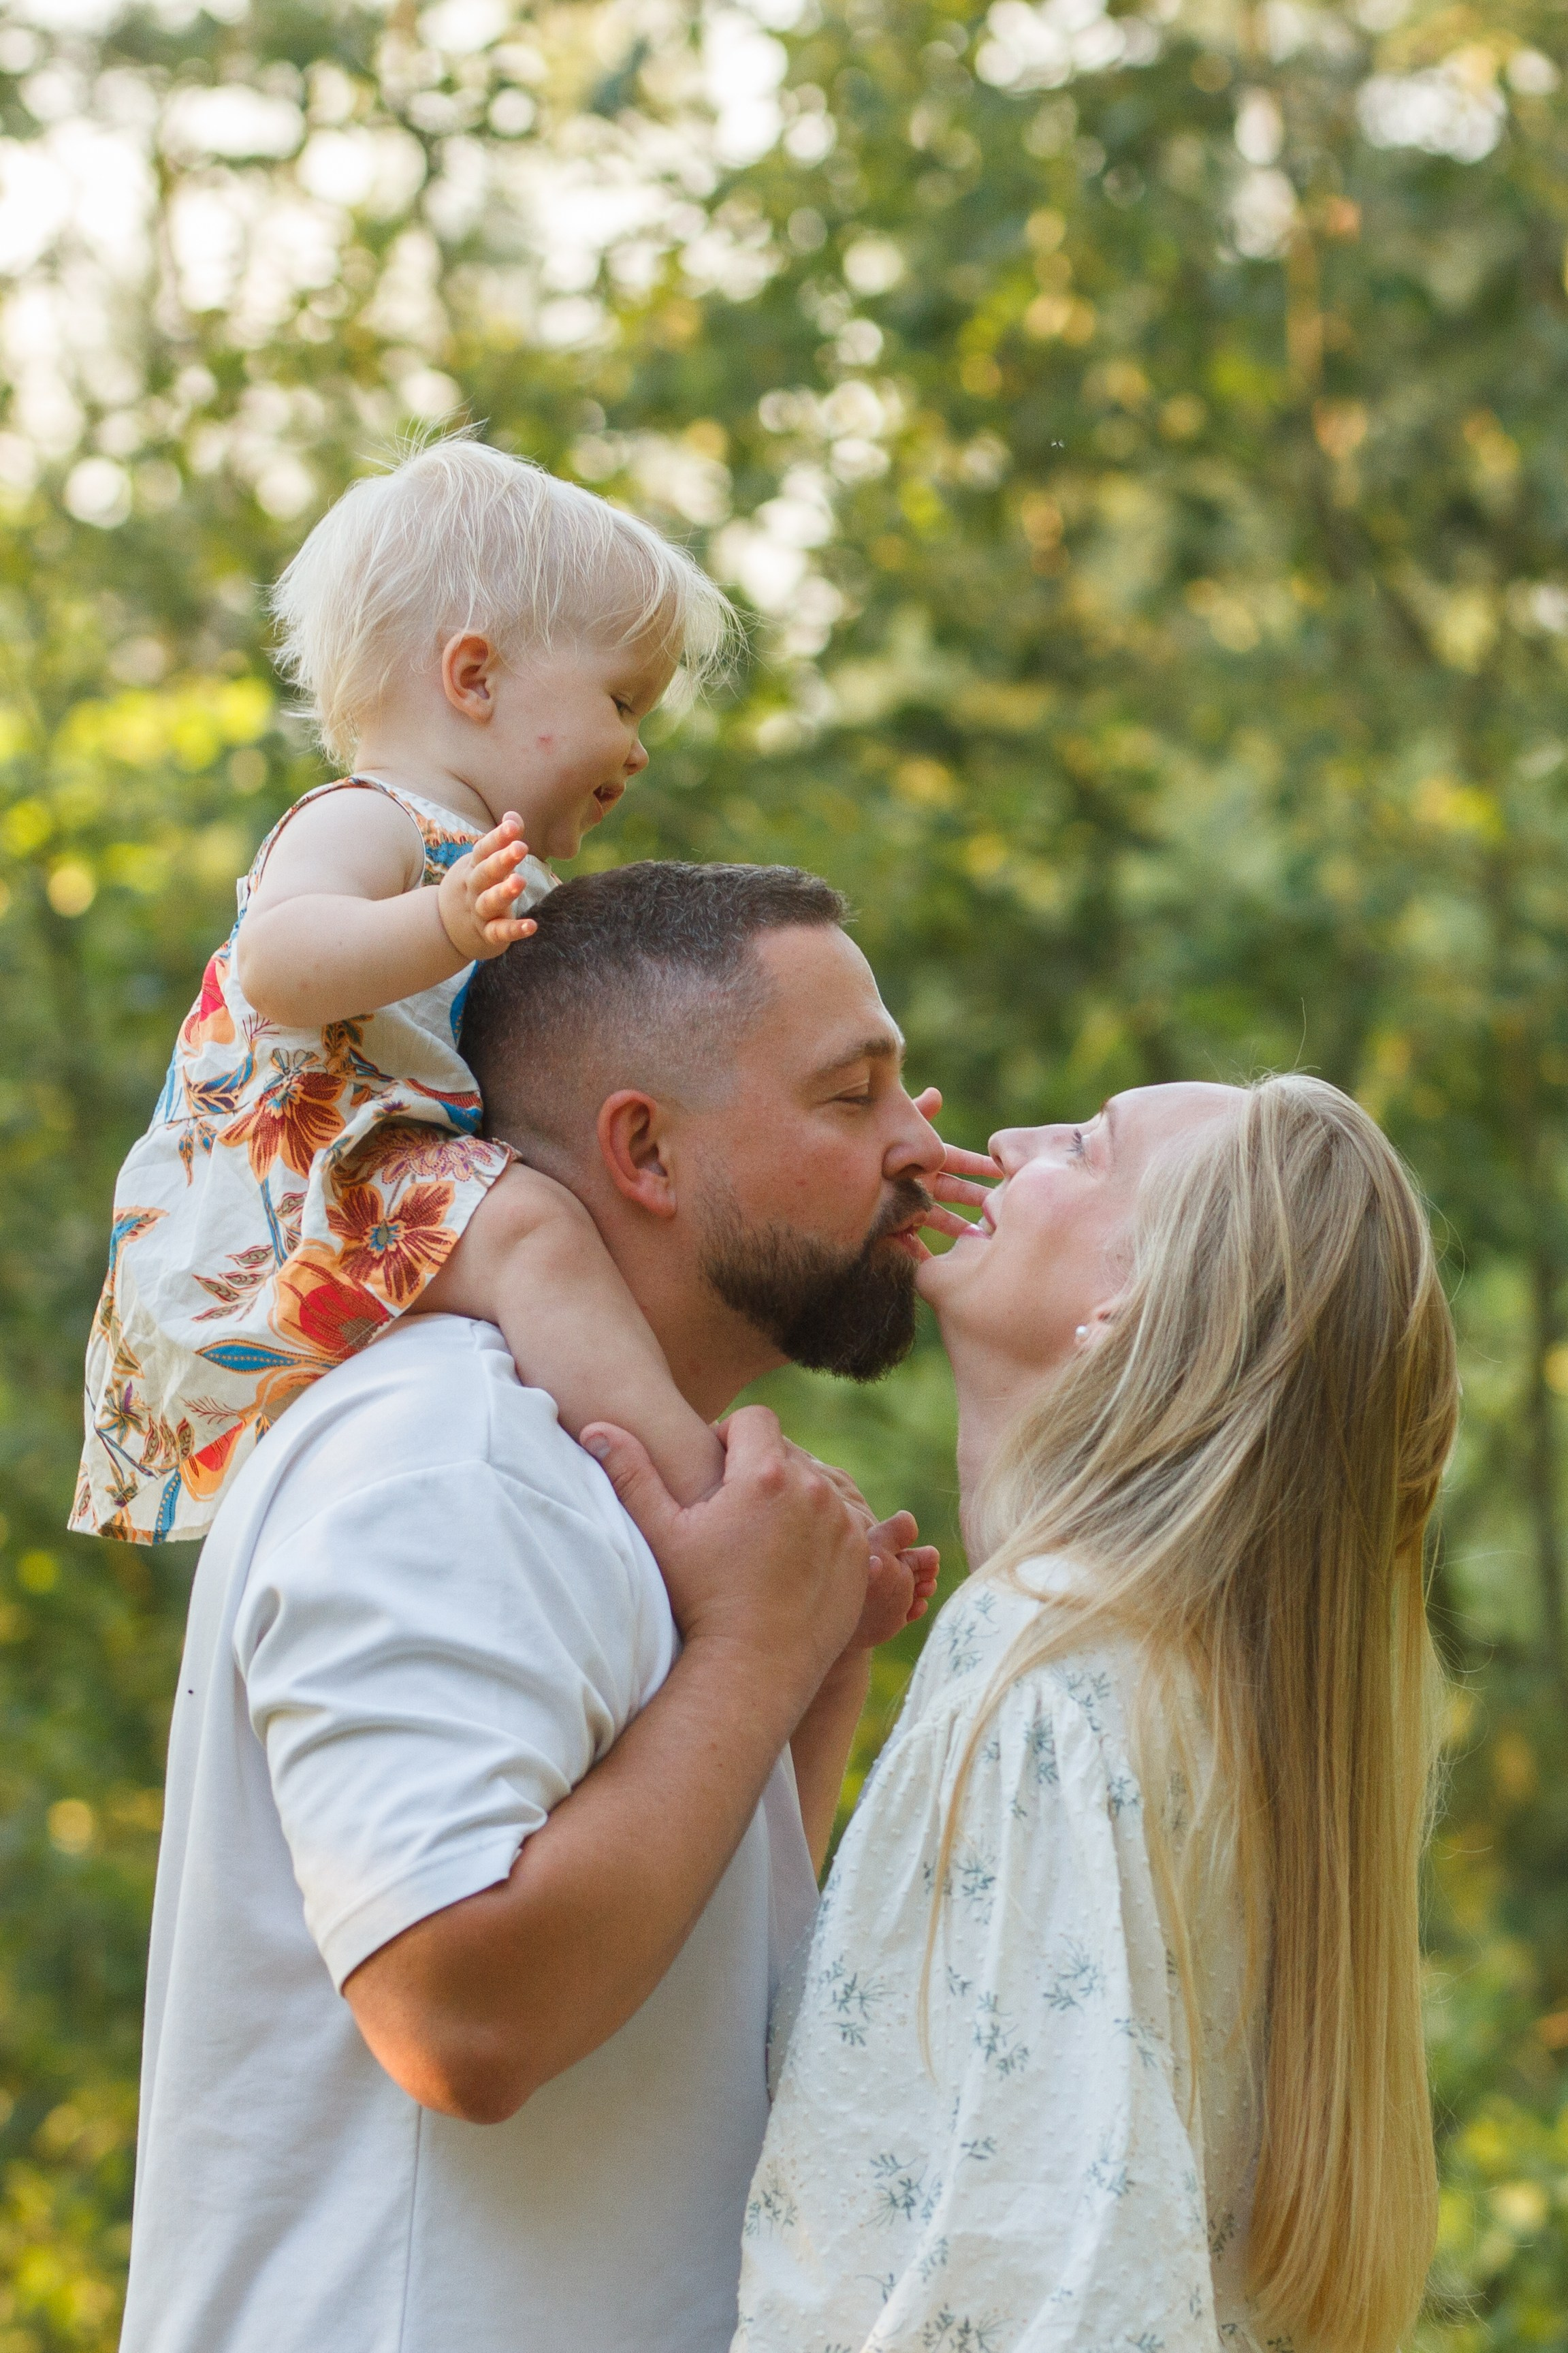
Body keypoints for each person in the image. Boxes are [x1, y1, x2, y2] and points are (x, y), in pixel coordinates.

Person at [118, 859, 975, 2353]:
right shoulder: (458, 1459)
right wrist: (758, 1652)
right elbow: (460, 2013)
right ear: (642, 1150)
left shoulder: (622, 1498)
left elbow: (668, 2009)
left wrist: (802, 1684)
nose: (921, 1144)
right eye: (854, 1097)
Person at [730, 1076, 1458, 2353]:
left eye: (1085, 1143)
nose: (1006, 1142)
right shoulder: (1195, 1690)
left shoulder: (1046, 1673)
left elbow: (1059, 2288)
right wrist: (806, 1675)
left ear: (1126, 1306)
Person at [72, 433, 745, 1546]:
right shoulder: (370, 818)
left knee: (558, 1228)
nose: (637, 750)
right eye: (624, 701)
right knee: (532, 1233)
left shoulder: (489, 865)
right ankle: (701, 1506)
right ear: (474, 678)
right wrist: (437, 923)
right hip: (303, 1191)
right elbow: (278, 964)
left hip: (387, 1178)